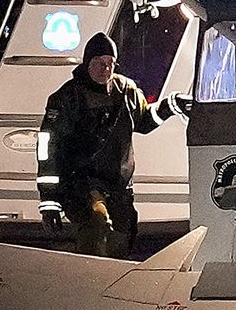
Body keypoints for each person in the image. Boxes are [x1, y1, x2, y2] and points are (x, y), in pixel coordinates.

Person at [36, 31, 192, 258]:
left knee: (123, 238)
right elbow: (48, 149)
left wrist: (170, 105)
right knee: (97, 224)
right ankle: (90, 276)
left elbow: (144, 121)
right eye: (99, 62)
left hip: (119, 186)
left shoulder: (126, 91)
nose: (106, 68)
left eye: (110, 63)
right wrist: (49, 201)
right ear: (87, 62)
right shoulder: (67, 98)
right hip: (82, 185)